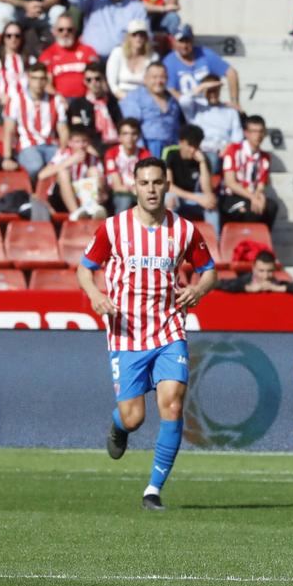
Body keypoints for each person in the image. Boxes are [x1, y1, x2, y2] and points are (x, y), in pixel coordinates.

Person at [77, 156, 218, 510]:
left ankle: (152, 490)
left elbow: (209, 270)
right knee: (134, 417)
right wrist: (95, 295)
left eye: (157, 182)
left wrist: (198, 290)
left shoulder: (184, 230)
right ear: (135, 186)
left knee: (172, 403)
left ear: (167, 185)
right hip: (126, 334)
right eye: (145, 183)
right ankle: (118, 425)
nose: (151, 189)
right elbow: (85, 269)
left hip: (169, 328)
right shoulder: (113, 228)